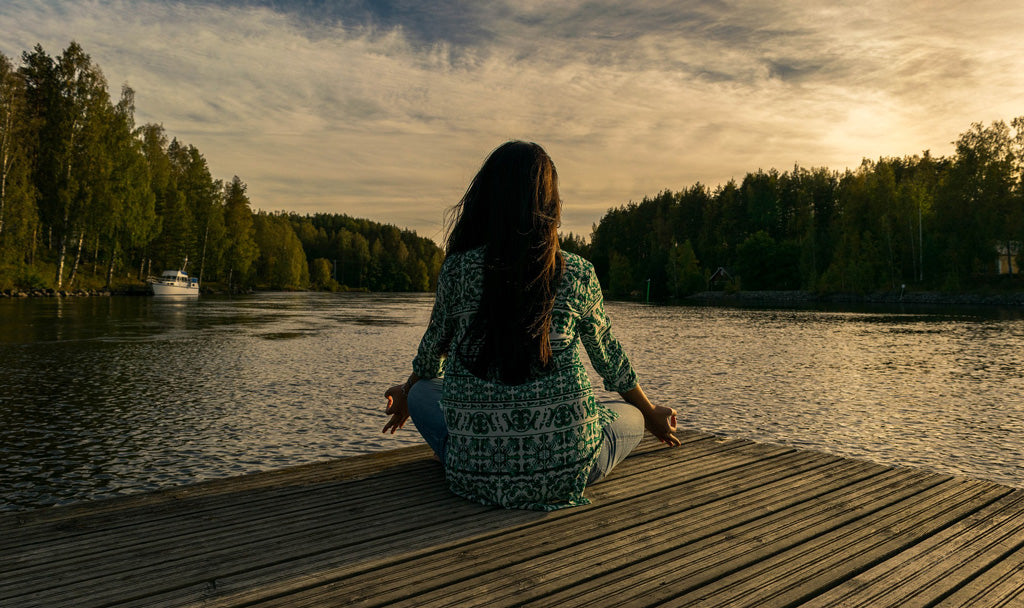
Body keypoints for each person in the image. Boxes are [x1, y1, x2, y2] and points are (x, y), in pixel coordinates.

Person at [383, 141, 679, 511]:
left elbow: (430, 357)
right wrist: (651, 414)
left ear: (486, 199)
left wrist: (409, 391)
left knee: (425, 390)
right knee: (630, 414)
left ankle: (475, 453)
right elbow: (610, 361)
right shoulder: (578, 272)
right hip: (568, 469)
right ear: (550, 205)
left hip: (474, 474)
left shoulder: (457, 270)